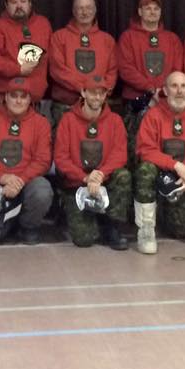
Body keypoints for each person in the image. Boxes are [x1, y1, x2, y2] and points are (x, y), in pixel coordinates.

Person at [133, 71, 185, 254]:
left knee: (180, 230)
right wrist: (175, 165)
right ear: (165, 90)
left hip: (182, 181)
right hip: (158, 174)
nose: (179, 91)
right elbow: (145, 150)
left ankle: (162, 212)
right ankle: (145, 230)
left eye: (184, 86)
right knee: (145, 169)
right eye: (174, 86)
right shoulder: (153, 115)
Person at [0, 77, 53, 246]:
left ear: (30, 99)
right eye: (14, 96)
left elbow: (43, 160)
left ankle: (27, 226)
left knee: (42, 190)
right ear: (5, 97)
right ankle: (10, 222)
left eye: (23, 96)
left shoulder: (41, 123)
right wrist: (2, 177)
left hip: (26, 185)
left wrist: (19, 181)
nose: (18, 100)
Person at [54, 74, 130, 250]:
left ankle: (112, 226)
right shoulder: (68, 120)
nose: (97, 97)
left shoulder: (115, 121)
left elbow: (120, 155)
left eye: (101, 93)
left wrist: (101, 174)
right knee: (84, 240)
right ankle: (72, 211)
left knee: (123, 175)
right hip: (77, 184)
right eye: (93, 92)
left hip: (105, 181)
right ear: (83, 92)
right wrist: (84, 178)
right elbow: (61, 158)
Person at [116, 0, 184, 154]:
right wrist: (150, 88)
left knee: (163, 144)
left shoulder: (172, 39)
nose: (152, 12)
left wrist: (164, 91)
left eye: (156, 9)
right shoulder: (128, 37)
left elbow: (177, 68)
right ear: (140, 12)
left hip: (166, 99)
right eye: (147, 9)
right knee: (135, 146)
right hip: (136, 101)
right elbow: (125, 68)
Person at [0, 0, 53, 113]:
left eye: (23, 1)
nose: (19, 6)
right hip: (0, 98)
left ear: (30, 3)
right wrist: (17, 69)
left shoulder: (43, 24)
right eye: (14, 2)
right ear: (6, 6)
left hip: (32, 100)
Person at [48, 0, 118, 128]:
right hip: (65, 106)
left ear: (96, 10)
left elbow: (112, 71)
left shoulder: (107, 40)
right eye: (80, 8)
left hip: (98, 106)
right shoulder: (59, 37)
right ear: (73, 11)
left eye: (89, 8)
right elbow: (57, 70)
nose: (85, 12)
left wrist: (97, 92)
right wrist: (83, 88)